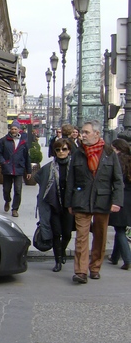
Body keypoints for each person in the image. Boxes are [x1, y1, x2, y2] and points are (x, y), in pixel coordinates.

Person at [65, 120, 124, 284]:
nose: (83, 135)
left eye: (86, 132)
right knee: (81, 238)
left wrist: (117, 201)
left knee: (100, 236)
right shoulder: (78, 153)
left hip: (102, 201)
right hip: (81, 200)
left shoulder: (109, 153)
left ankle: (95, 267)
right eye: (82, 132)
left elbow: (118, 180)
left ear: (97, 134)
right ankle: (80, 271)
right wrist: (69, 202)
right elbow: (71, 180)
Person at [35, 138, 74, 272]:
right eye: (58, 149)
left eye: (64, 149)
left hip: (69, 206)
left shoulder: (74, 167)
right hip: (54, 205)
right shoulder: (48, 168)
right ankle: (57, 261)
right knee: (56, 234)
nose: (61, 152)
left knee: (67, 233)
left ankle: (62, 251)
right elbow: (39, 180)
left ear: (69, 150)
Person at [0, 120, 32, 217]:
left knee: (18, 190)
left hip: (19, 169)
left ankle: (15, 209)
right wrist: (3, 162)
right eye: (12, 129)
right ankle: (7, 200)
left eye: (15, 129)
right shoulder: (4, 140)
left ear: (19, 130)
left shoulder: (23, 142)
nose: (13, 130)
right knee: (6, 189)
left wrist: (29, 171)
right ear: (10, 130)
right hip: (7, 169)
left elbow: (27, 156)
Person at [107, 139, 131, 270]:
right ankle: (115, 257)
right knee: (120, 228)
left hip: (120, 198)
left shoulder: (117, 161)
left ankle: (128, 259)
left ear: (117, 149)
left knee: (120, 229)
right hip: (129, 199)